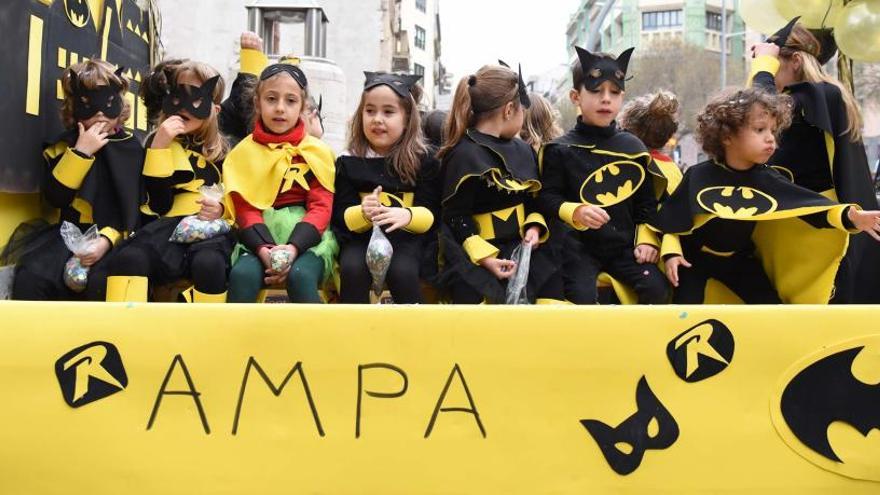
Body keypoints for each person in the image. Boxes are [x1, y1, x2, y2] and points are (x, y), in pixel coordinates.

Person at [656, 88, 880, 304]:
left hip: (739, 261)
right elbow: (671, 221)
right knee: (683, 310)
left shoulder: (768, 179)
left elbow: (810, 209)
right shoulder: (699, 175)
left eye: (773, 131)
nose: (771, 139)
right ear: (726, 136)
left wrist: (852, 217)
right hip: (692, 260)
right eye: (760, 129)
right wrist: (671, 254)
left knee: (771, 308)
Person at [749, 18, 880, 303]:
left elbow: (755, 111)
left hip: (812, 228)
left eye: (776, 63)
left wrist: (762, 68)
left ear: (795, 60)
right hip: (795, 224)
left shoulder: (816, 96)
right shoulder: (818, 97)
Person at [538, 47, 670, 305]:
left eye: (614, 92)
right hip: (576, 249)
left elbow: (646, 204)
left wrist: (647, 241)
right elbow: (547, 197)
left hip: (623, 249)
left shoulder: (633, 148)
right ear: (576, 96)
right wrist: (574, 211)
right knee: (581, 298)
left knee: (657, 288)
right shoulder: (559, 149)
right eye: (596, 91)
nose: (606, 99)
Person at [8, 60, 143, 301]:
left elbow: (136, 208)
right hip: (68, 237)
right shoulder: (62, 147)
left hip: (117, 237)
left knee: (102, 283)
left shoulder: (132, 149)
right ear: (73, 106)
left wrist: (107, 240)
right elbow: (56, 197)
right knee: (32, 277)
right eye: (89, 103)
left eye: (108, 100)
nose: (100, 111)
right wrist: (81, 153)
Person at [105, 61, 232, 303]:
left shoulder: (225, 152)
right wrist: (160, 146)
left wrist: (222, 210)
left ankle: (209, 334)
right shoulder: (158, 142)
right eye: (178, 94)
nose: (184, 106)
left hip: (210, 232)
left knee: (209, 263)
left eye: (195, 98)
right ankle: (123, 331)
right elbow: (160, 203)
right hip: (164, 229)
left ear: (214, 110)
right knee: (130, 258)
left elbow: (239, 196)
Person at [437, 63, 564, 304]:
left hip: (526, 251)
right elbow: (455, 216)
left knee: (552, 288)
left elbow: (533, 202)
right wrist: (486, 258)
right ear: (508, 110)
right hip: (476, 257)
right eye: (522, 110)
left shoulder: (524, 150)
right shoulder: (463, 155)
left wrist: (534, 229)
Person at [223, 62, 337, 303]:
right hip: (259, 238)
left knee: (301, 277)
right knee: (242, 276)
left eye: (291, 101)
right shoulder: (243, 153)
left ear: (303, 107)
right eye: (271, 99)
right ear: (257, 103)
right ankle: (239, 340)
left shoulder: (318, 152)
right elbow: (245, 208)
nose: (280, 108)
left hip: (308, 241)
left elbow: (321, 206)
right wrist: (265, 250)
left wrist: (294, 248)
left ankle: (320, 340)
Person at [332, 72, 441, 303]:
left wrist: (407, 215)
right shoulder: (348, 160)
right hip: (361, 238)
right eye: (370, 111)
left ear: (407, 117)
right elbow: (341, 217)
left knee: (402, 271)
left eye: (388, 112)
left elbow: (432, 212)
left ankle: (412, 333)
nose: (377, 119)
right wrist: (362, 212)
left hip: (407, 237)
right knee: (352, 269)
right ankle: (353, 333)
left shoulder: (424, 160)